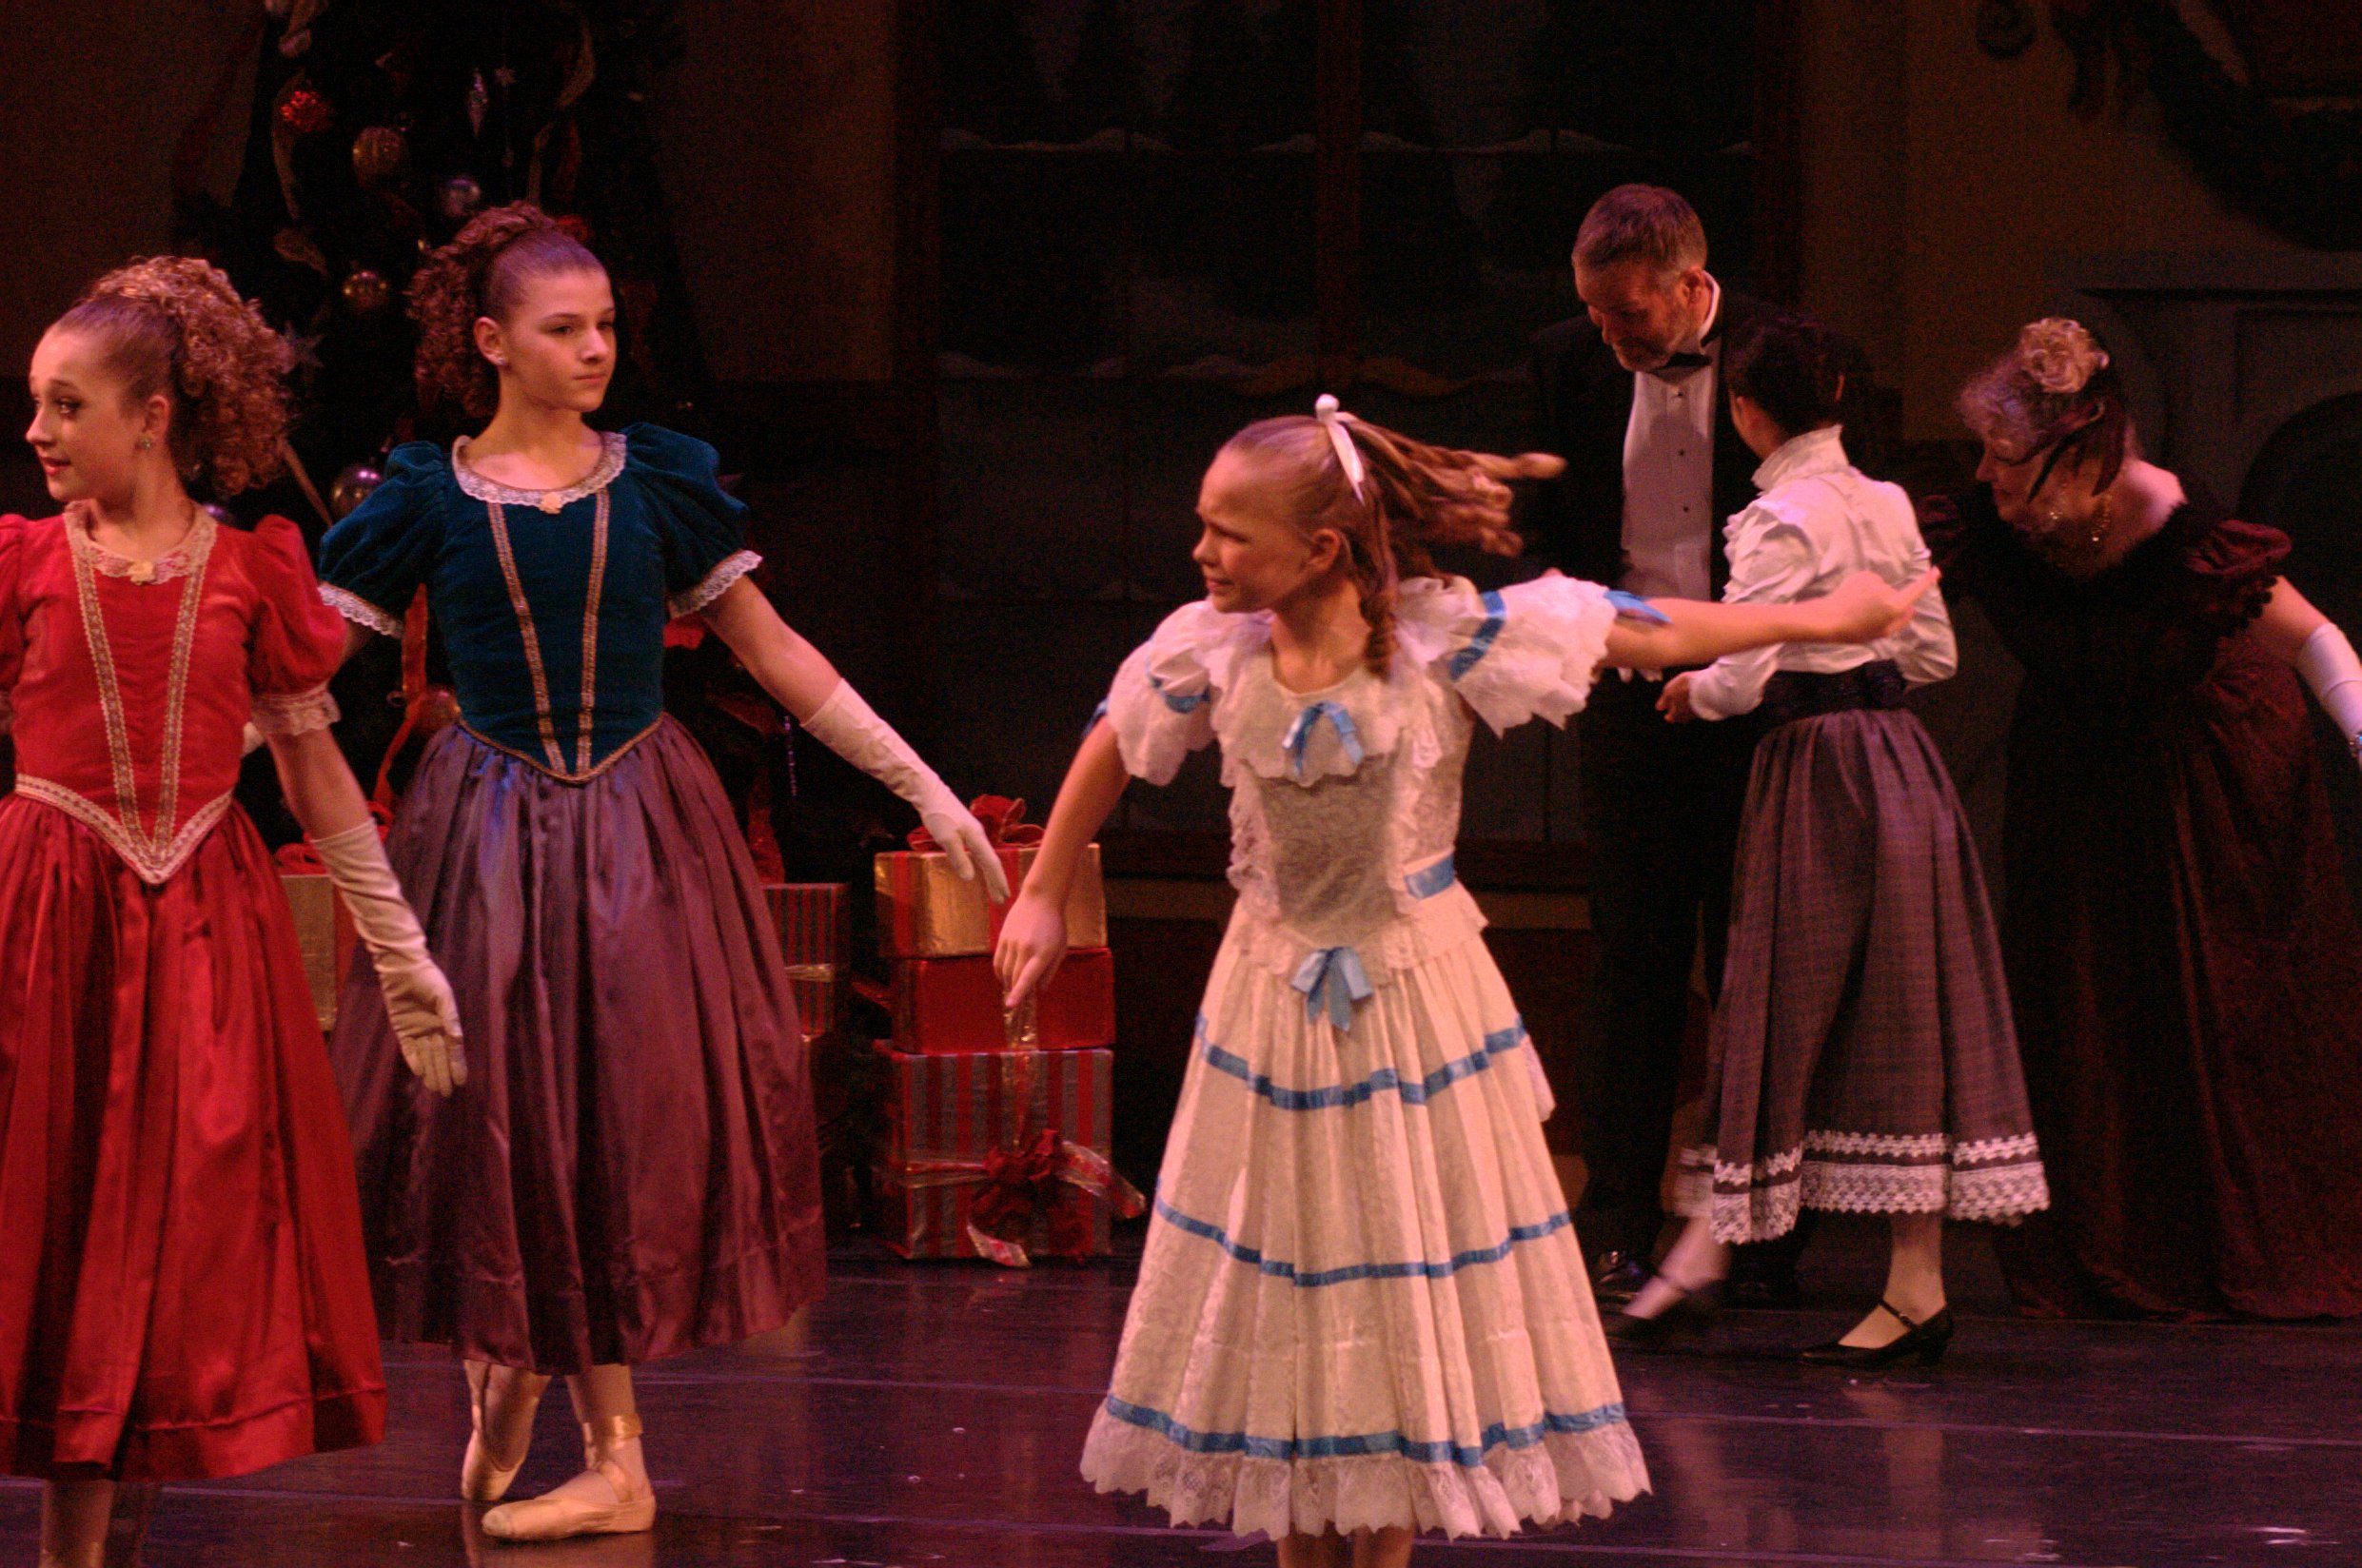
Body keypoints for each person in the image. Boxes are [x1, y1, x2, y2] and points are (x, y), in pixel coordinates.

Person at [994, 395, 1936, 1563]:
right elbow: (1110, 736)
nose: (1203, 552)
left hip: (1409, 1004)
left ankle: (1382, 1540)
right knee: (1290, 1271)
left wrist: (1824, 614)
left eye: (1229, 532)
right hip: (1270, 1002)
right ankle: (1301, 1536)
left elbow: (1639, 630)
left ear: (1320, 547)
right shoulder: (1212, 647)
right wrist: (1041, 888)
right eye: (1204, 526)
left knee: (1396, 1268)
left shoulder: (1441, 639)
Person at [317, 205, 1008, 1542]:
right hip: (485, 831)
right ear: (491, 342)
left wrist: (919, 784)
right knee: (504, 1106)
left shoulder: (653, 483)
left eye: (605, 327)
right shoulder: (426, 496)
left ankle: (611, 1452)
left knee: (609, 1112)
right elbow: (304, 670)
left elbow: (774, 649)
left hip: (636, 827)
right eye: (563, 329)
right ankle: (514, 1355)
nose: (595, 350)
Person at [1, 258, 463, 1568]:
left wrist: (402, 955)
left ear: (152, 417)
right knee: (63, 1223)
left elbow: (316, 775)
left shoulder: (250, 574)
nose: (37, 430)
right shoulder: (24, 565)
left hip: (204, 939)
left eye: (67, 405)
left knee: (180, 1251)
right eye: (36, 402)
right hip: (50, 928)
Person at [1612, 312, 2048, 1363]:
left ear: (1745, 412)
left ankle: (1715, 1261)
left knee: (1780, 1000)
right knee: (1903, 1004)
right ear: (1841, 397)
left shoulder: (1778, 520)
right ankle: (1872, 1276)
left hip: (1817, 772)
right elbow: (1933, 655)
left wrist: (1690, 691)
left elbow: (1740, 672)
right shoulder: (1886, 502)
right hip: (1900, 762)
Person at [1920, 317, 2362, 1320]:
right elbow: (1884, 606)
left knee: (2216, 998)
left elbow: (2313, 638)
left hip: (2207, 764)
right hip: (2076, 767)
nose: (1983, 476)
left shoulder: (2179, 527)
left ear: (2076, 458)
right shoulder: (1989, 520)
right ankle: (2107, 1240)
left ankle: (2237, 1240)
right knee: (2083, 999)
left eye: (2004, 456)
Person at [1527, 184, 1802, 1304]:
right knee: (1630, 963)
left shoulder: (1784, 353)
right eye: (1595, 313)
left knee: (1754, 967)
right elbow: (1547, 529)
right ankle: (1618, 1223)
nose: (1610, 336)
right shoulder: (1566, 362)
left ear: (1692, 286)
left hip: (1757, 707)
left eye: (1629, 314)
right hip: (1628, 698)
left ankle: (1757, 1232)